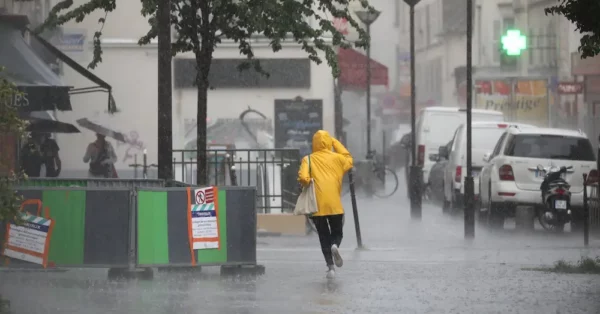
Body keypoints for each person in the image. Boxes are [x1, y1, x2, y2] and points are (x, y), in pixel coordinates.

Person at [297, 130, 353, 279]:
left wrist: (308, 181)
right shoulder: (338, 159)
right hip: (335, 205)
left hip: (317, 205)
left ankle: (330, 268)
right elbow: (349, 158)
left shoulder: (308, 159)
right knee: (337, 232)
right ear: (329, 143)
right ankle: (335, 245)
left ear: (314, 144)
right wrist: (334, 142)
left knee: (323, 236)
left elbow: (303, 177)